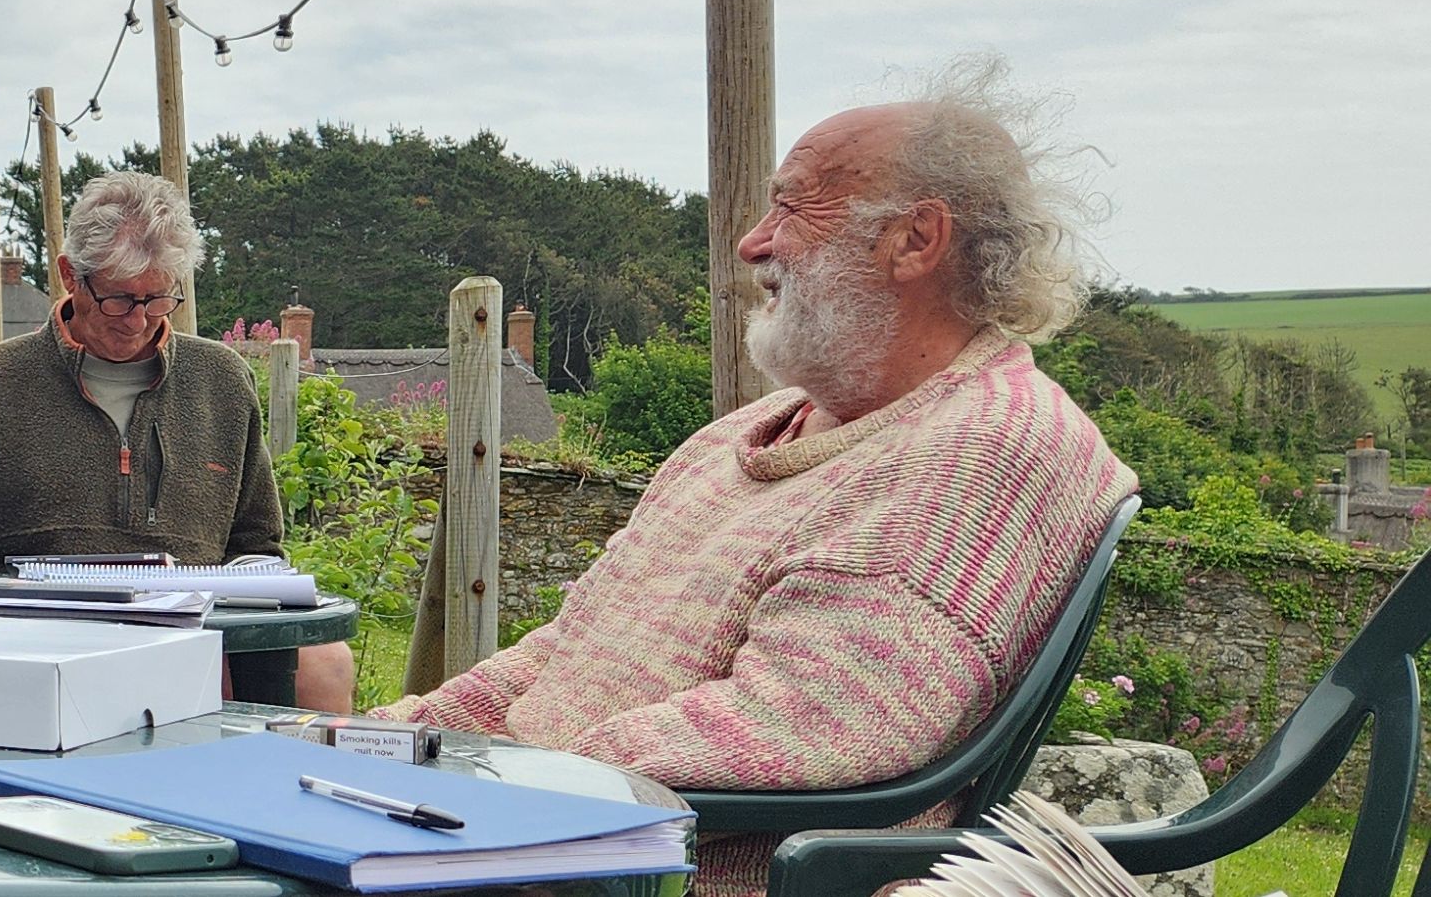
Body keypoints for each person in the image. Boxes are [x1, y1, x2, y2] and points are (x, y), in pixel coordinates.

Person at [373, 56, 1139, 895]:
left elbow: (809, 719)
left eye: (794, 204)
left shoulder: (987, 446)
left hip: (634, 869)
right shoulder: (740, 437)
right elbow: (565, 654)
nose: (752, 241)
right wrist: (386, 744)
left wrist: (477, 790)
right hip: (524, 833)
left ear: (916, 239)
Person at [0, 172, 360, 711]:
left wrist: (217, 613)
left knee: (326, 662)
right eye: (118, 299)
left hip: (192, 638)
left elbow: (257, 550)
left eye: (158, 300)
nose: (137, 322)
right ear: (70, 276)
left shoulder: (221, 382)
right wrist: (17, 602)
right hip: (29, 643)